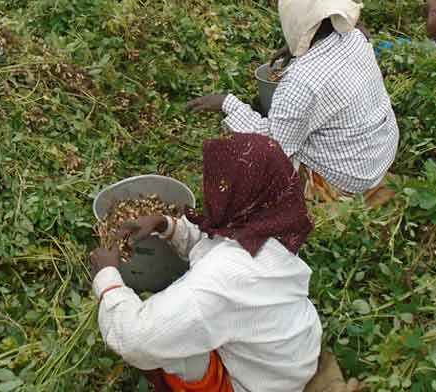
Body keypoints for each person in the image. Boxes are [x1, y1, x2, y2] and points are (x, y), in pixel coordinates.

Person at [90, 133, 322, 392]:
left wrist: (108, 277)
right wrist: (166, 224)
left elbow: (135, 339)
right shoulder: (272, 225)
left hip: (259, 383)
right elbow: (216, 243)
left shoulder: (221, 279)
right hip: (293, 355)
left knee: (166, 342)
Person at [187, 0, 399, 205]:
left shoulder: (301, 82)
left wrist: (228, 103)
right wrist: (298, 46)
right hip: (380, 154)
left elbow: (275, 146)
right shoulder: (355, 39)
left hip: (348, 178)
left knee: (250, 161)